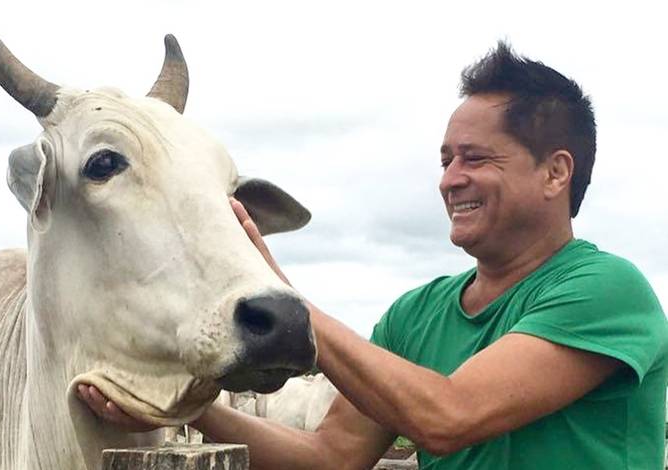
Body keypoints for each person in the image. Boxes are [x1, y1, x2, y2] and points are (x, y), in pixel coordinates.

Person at [78, 42, 667, 469]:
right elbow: (330, 457)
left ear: (555, 173)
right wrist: (184, 409)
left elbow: (450, 416)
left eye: (476, 158)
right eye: (445, 161)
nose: (450, 181)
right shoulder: (415, 315)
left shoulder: (606, 290)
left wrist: (287, 305)